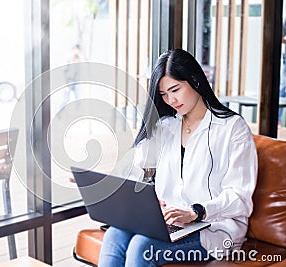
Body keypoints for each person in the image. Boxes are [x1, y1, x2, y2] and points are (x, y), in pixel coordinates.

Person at [98, 49, 258, 266]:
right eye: (163, 94)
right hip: (170, 223)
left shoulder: (232, 128)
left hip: (215, 228)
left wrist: (196, 212)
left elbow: (240, 197)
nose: (171, 100)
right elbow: (136, 165)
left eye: (175, 90)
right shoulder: (167, 126)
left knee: (141, 246)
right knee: (115, 235)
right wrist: (105, 181)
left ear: (194, 80)